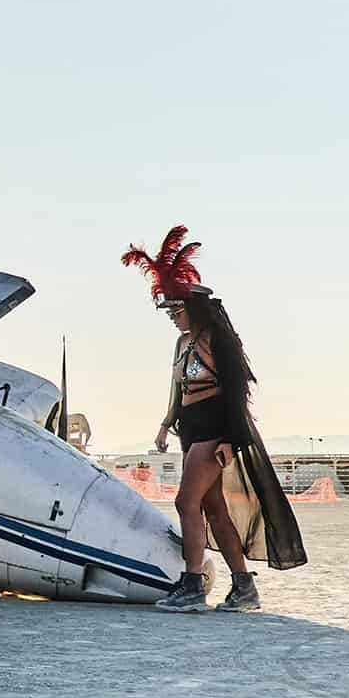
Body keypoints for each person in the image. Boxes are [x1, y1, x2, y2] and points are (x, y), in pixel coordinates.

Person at [122, 226, 307, 612]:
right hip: (191, 429)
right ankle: (244, 588)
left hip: (213, 429)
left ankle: (191, 584)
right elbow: (179, 390)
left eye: (177, 309)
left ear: (195, 307)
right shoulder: (181, 343)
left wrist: (228, 439)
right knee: (213, 508)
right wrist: (164, 424)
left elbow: (237, 392)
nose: (173, 317)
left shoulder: (218, 340)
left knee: (185, 501)